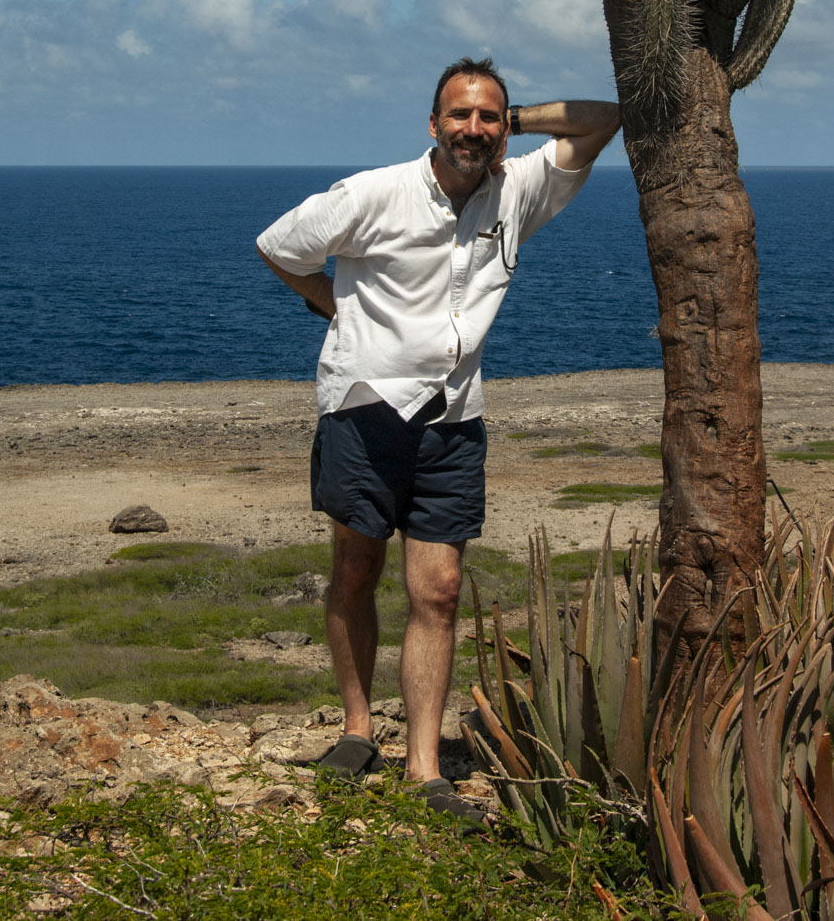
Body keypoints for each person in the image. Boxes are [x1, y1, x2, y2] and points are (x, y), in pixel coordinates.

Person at [256, 57, 620, 823]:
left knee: (440, 591)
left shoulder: (517, 188)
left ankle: (424, 767)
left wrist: (513, 122)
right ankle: (358, 731)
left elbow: (601, 120)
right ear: (432, 123)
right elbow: (278, 245)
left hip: (453, 418)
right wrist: (334, 307)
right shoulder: (372, 194)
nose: (474, 129)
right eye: (459, 115)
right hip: (364, 407)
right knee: (355, 571)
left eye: (488, 117)